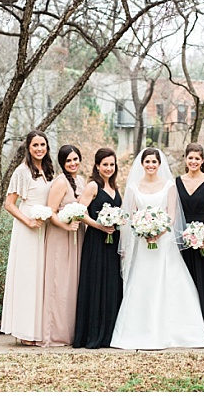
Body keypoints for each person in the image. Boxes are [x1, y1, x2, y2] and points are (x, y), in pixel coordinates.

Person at [110, 148, 204, 350]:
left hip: (164, 242)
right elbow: (128, 217)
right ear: (142, 164)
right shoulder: (134, 187)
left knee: (168, 281)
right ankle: (140, 331)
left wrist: (159, 231)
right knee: (143, 281)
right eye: (147, 162)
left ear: (159, 164)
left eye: (154, 162)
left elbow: (171, 215)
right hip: (142, 242)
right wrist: (143, 230)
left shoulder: (169, 186)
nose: (151, 165)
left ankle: (176, 332)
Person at [1, 131, 55, 345]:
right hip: (28, 229)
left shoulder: (49, 170)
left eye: (43, 144)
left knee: (41, 279)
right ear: (28, 148)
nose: (39, 149)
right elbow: (9, 204)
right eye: (35, 145)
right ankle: (23, 332)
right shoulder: (22, 172)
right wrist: (29, 221)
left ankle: (38, 329)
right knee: (27, 278)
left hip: (45, 228)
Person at [72, 148, 124, 349]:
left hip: (112, 243)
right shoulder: (93, 186)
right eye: (105, 165)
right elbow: (80, 212)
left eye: (112, 164)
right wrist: (99, 226)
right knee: (96, 284)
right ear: (97, 166)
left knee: (111, 285)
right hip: (96, 241)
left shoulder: (115, 187)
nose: (109, 168)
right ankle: (92, 334)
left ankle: (109, 334)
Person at [177, 143, 204, 347]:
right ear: (185, 159)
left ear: (202, 161)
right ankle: (188, 333)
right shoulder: (176, 183)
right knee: (186, 285)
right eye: (190, 158)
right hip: (183, 240)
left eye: (197, 158)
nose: (193, 161)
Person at [41, 144, 86, 346]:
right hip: (61, 236)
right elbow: (51, 212)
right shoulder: (60, 182)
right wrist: (66, 226)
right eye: (68, 160)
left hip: (78, 236)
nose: (73, 163)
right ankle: (55, 333)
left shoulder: (82, 181)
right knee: (60, 283)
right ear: (62, 163)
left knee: (73, 284)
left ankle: (72, 331)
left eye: (75, 159)